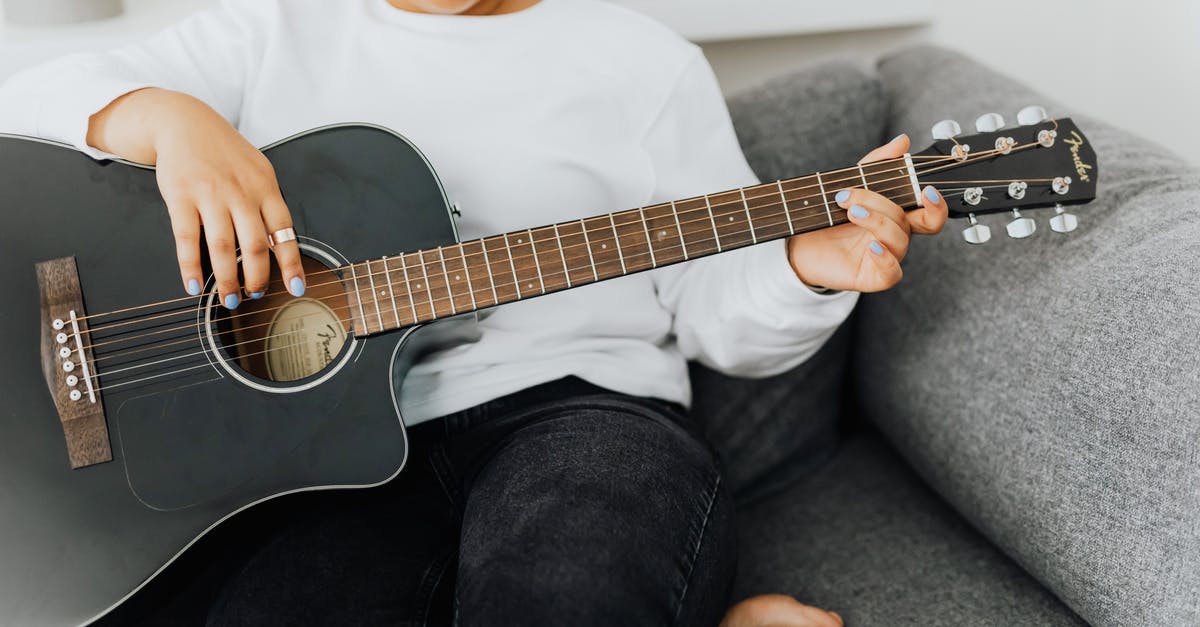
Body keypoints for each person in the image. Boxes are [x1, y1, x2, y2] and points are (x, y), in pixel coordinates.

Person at [0, 0, 947, 624]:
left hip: (579, 413)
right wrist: (168, 120)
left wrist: (802, 269)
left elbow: (718, 318)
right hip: (321, 462)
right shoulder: (272, 28)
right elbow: (26, 99)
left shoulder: (641, 62)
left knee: (572, 586)